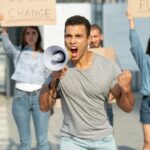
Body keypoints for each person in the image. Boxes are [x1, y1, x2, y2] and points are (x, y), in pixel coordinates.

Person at [39, 15, 134, 150]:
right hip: (71, 140)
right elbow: (44, 107)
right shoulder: (58, 66)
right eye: (68, 36)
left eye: (78, 36)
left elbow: (128, 108)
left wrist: (127, 90)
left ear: (88, 39)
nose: (72, 41)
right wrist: (54, 80)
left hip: (103, 139)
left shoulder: (108, 67)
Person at [1, 26, 50, 150]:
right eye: (27, 33)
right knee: (25, 142)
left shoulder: (45, 55)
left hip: (40, 97)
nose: (31, 35)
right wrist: (4, 31)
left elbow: (49, 77)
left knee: (42, 141)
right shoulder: (17, 52)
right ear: (23, 36)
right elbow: (7, 46)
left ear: (38, 36)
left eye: (34, 33)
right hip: (20, 98)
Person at [127, 10, 150, 150]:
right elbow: (136, 46)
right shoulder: (145, 60)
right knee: (148, 142)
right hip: (148, 102)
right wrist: (131, 21)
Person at [90, 24, 114, 126]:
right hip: (88, 104)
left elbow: (117, 76)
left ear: (101, 37)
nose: (93, 40)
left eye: (95, 36)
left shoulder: (109, 55)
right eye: (90, 37)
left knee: (107, 137)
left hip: (105, 103)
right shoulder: (82, 56)